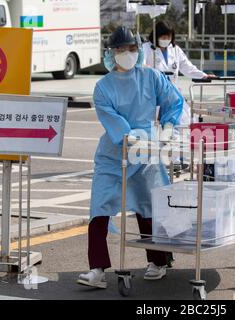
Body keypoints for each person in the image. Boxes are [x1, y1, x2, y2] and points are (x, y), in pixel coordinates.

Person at [77, 26, 184, 289]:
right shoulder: (103, 87)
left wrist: (169, 126)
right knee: (99, 208)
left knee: (148, 208)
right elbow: (113, 122)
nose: (128, 54)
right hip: (114, 154)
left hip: (147, 152)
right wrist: (131, 137)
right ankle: (97, 269)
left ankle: (158, 261)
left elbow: (174, 101)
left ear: (139, 50)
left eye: (133, 49)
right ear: (112, 53)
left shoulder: (151, 76)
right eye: (122, 49)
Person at [143, 21, 215, 125]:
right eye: (163, 37)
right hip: (154, 92)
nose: (166, 40)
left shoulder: (175, 49)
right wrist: (150, 70)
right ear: (156, 36)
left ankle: (175, 137)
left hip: (172, 91)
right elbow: (141, 64)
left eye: (168, 37)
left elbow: (187, 67)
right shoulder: (146, 48)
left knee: (184, 120)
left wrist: (203, 75)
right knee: (155, 122)